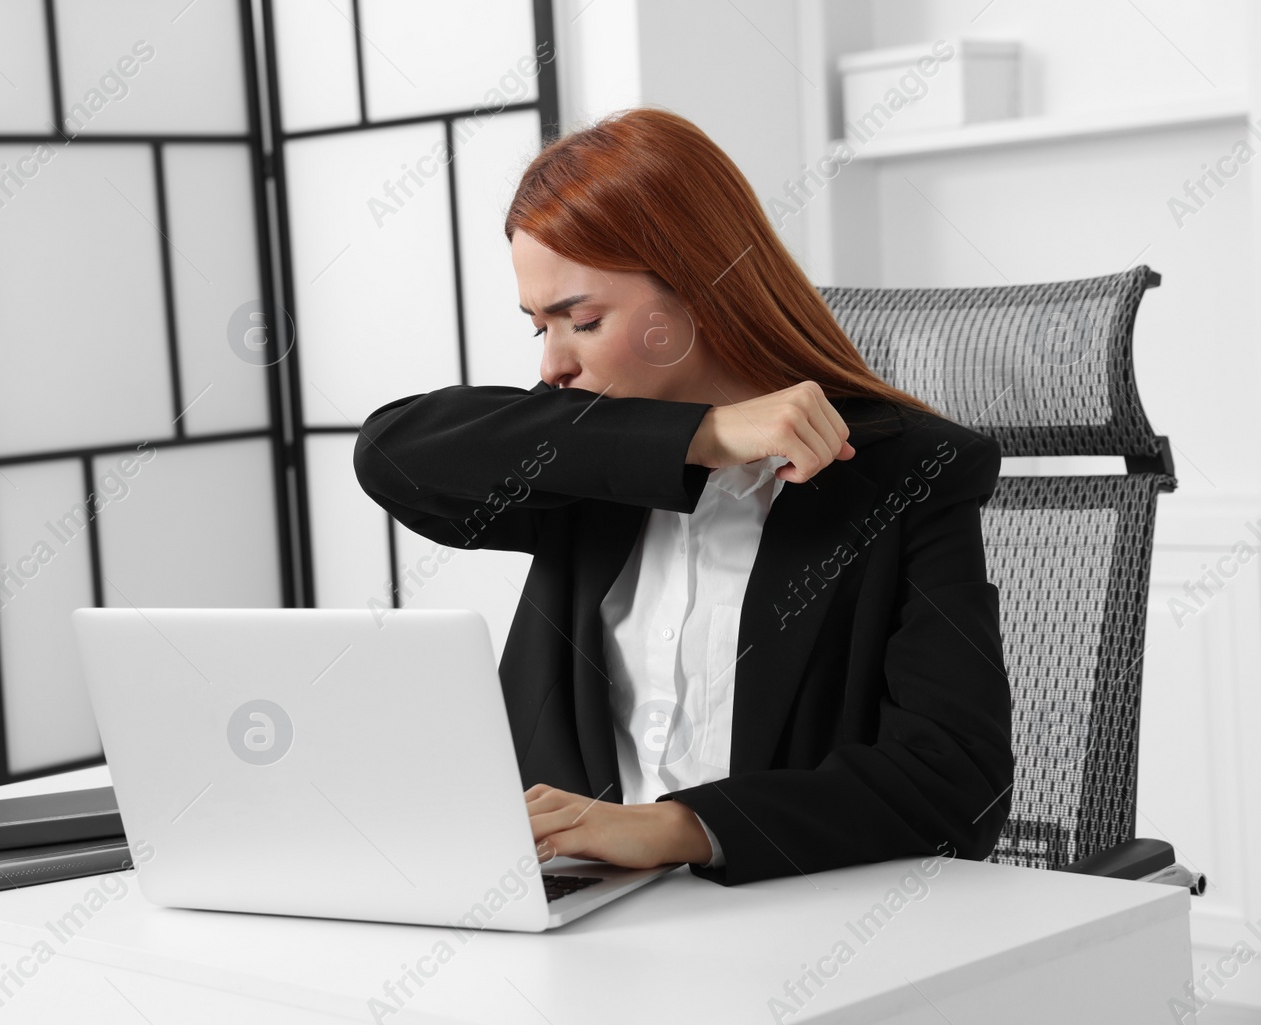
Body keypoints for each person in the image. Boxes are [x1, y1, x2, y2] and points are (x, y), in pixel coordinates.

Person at [352, 107, 1013, 887]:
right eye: (539, 327)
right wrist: (699, 438)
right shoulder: (590, 466)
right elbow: (391, 451)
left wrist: (679, 827)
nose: (552, 367)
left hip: (778, 917)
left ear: (701, 288)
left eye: (583, 320)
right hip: (558, 916)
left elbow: (954, 785)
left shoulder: (909, 472)